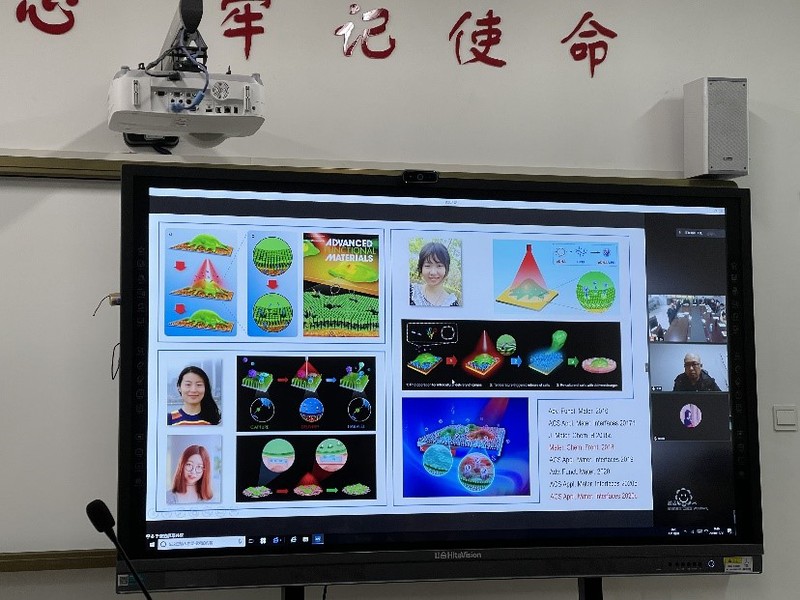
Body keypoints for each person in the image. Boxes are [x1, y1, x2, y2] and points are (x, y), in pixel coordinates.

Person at [409, 241, 459, 307]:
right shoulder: (410, 292)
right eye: (427, 266)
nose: (433, 272)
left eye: (439, 266)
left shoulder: (452, 304)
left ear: (446, 269)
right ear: (421, 268)